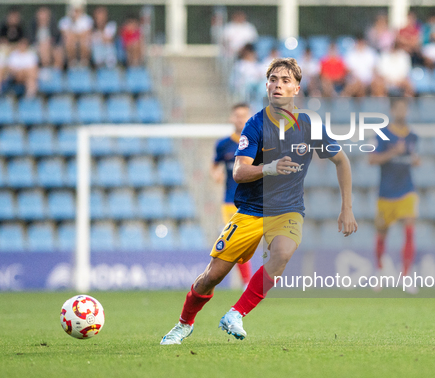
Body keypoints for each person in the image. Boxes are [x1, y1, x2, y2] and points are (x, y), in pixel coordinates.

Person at [160, 57, 358, 345]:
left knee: (282, 254)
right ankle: (183, 324)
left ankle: (236, 314)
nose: (278, 85)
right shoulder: (255, 124)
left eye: (285, 80)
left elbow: (342, 162)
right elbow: (239, 172)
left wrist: (347, 208)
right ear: (266, 85)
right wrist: (270, 167)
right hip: (251, 211)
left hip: (288, 209)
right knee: (211, 277)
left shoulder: (310, 125)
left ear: (297, 89)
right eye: (274, 80)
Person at [368, 98, 420, 291]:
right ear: (392, 110)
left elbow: (411, 157)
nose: (401, 111)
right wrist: (392, 153)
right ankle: (380, 271)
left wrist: (414, 160)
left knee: (409, 229)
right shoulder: (383, 134)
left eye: (404, 108)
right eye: (398, 108)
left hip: (407, 190)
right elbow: (372, 159)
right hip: (386, 193)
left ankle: (406, 276)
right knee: (382, 233)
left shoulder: (413, 136)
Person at [211, 103, 254, 287]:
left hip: (253, 200)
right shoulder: (223, 144)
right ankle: (247, 283)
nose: (240, 119)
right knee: (236, 242)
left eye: (244, 115)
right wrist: (216, 174)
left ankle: (253, 282)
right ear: (231, 118)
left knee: (249, 243)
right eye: (237, 115)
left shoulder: (258, 142)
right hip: (231, 201)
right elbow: (214, 165)